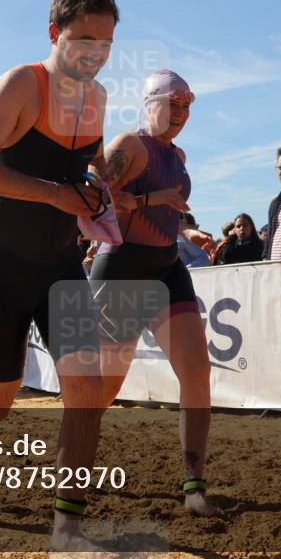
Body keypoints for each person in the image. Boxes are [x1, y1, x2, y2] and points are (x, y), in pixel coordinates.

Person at [0, 0, 120, 550]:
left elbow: (85, 165)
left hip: (61, 264)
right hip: (1, 268)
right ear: (54, 34)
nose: (94, 53)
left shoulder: (99, 99)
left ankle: (67, 525)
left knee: (85, 393)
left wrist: (95, 188)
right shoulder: (22, 83)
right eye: (83, 39)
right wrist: (56, 195)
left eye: (106, 43)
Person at [88, 69, 217, 516]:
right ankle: (74, 471)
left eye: (186, 108)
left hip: (166, 266)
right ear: (150, 103)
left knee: (197, 373)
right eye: (173, 105)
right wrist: (152, 200)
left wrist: (188, 231)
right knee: (103, 389)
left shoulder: (177, 154)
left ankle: (194, 486)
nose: (180, 115)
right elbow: (93, 200)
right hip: (122, 269)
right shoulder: (129, 145)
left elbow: (169, 205)